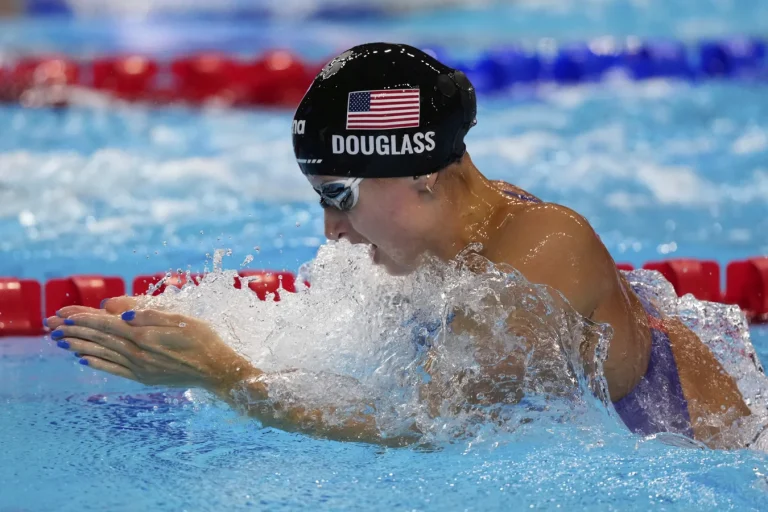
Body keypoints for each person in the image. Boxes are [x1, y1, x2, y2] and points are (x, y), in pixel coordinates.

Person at [45, 42, 755, 449]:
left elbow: (428, 428)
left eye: (339, 195)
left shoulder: (542, 252)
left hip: (709, 464)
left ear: (420, 171)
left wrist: (227, 378)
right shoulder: (454, 227)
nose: (332, 230)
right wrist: (201, 327)